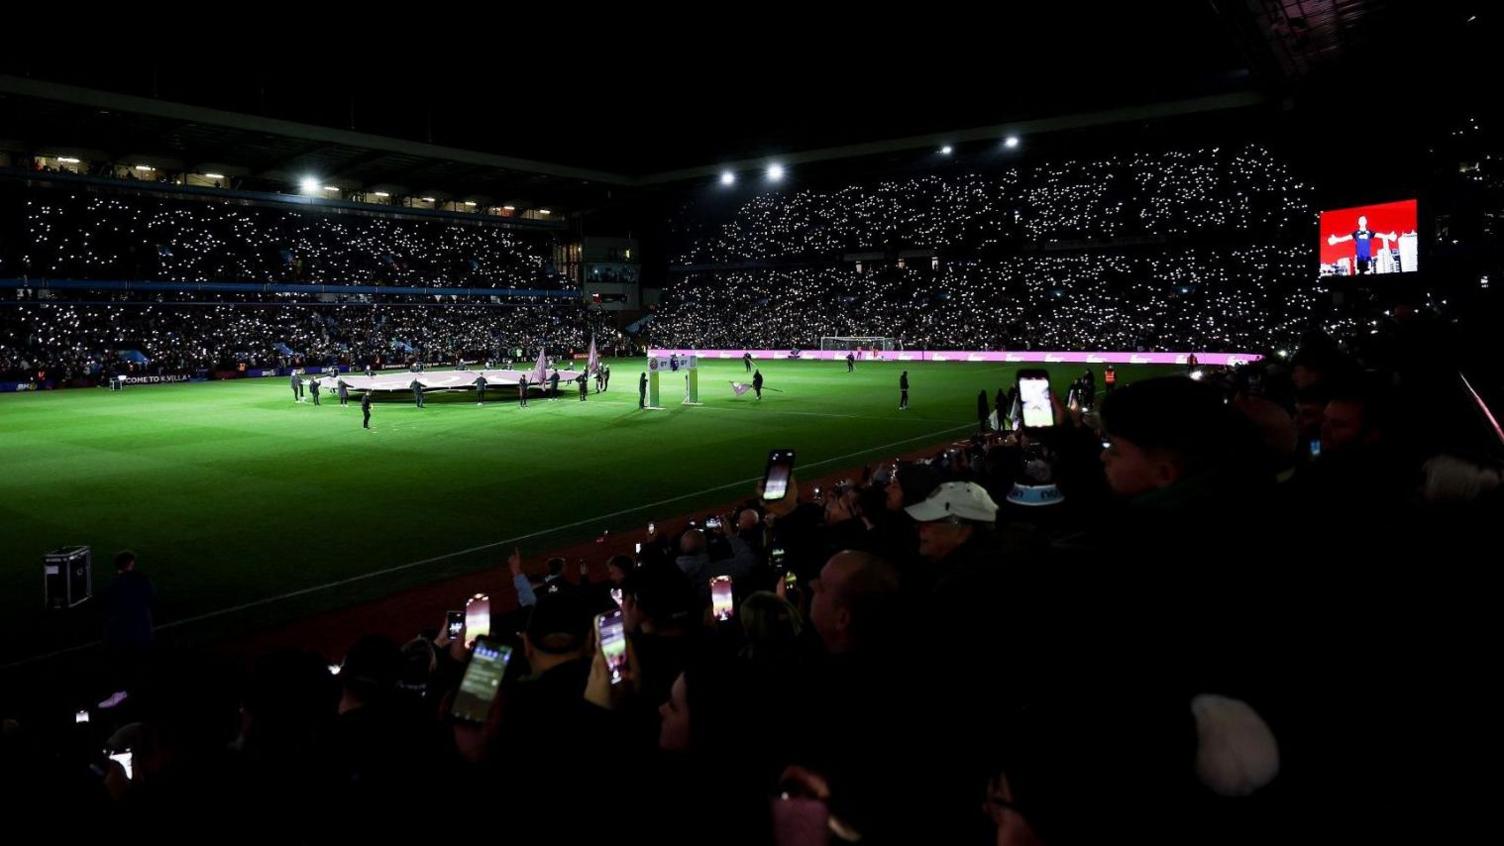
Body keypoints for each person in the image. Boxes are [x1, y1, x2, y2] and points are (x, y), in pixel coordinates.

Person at [1327, 214, 1397, 275]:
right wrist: (1336, 240)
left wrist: (1388, 236)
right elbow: (1346, 238)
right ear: (1358, 222)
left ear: (1366, 222)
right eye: (1361, 220)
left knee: (1368, 272)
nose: (1362, 221)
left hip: (1367, 258)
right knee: (1360, 274)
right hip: (1359, 258)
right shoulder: (1356, 233)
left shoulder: (1369, 232)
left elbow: (1379, 235)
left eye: (1364, 220)